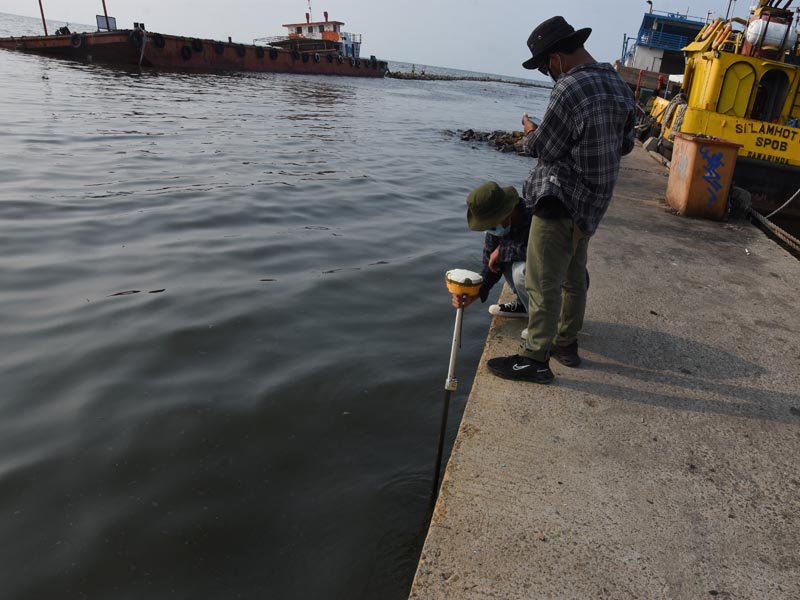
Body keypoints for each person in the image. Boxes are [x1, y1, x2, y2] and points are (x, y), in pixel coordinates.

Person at [486, 16, 636, 384]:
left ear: (555, 58)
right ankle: (566, 345)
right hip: (592, 204)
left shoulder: (569, 86)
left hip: (560, 200)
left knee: (541, 281)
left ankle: (534, 358)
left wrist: (530, 133)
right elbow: (628, 144)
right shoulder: (619, 85)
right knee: (573, 278)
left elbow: (546, 148)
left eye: (542, 67)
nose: (546, 74)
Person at [450, 182, 531, 331]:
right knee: (499, 262)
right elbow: (489, 266)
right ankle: (525, 304)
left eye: (492, 225)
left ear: (508, 211)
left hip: (559, 281)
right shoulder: (496, 231)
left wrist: (501, 250)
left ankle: (543, 320)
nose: (491, 230)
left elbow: (539, 252)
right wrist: (474, 294)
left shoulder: (536, 217)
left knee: (522, 271)